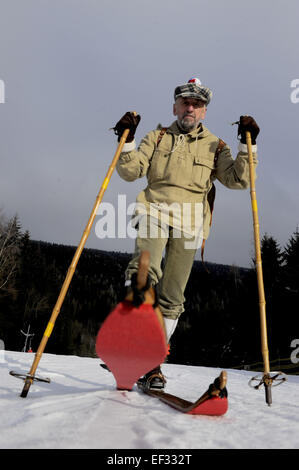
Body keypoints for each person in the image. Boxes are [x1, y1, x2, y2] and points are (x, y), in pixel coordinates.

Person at [113, 78, 259, 389]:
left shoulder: (217, 146)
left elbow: (238, 180)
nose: (190, 107)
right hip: (153, 208)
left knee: (172, 297)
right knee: (143, 272)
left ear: (205, 111)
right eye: (185, 102)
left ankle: (151, 363)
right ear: (175, 107)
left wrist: (249, 143)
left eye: (197, 103)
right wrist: (126, 139)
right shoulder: (158, 136)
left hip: (192, 222)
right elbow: (130, 171)